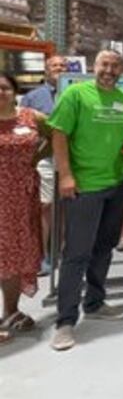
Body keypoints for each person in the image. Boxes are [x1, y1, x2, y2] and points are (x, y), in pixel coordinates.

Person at [48, 50, 123, 351]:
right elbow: (58, 134)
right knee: (77, 253)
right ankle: (65, 321)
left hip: (118, 183)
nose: (109, 70)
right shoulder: (76, 94)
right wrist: (65, 176)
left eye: (115, 66)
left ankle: (95, 302)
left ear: (122, 70)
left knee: (104, 247)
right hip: (85, 186)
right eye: (104, 65)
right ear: (94, 67)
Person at [0, 73, 47, 344]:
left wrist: (36, 157)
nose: (1, 92)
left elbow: (56, 137)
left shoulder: (30, 117)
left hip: (21, 195)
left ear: (15, 91)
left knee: (16, 251)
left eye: (5, 87)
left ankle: (11, 310)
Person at [20, 55, 66, 276]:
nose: (59, 68)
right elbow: (24, 126)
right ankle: (43, 255)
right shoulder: (32, 97)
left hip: (72, 157)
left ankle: (65, 250)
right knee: (45, 205)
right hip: (45, 158)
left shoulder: (76, 93)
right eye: (54, 65)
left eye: (63, 65)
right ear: (46, 70)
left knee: (68, 204)